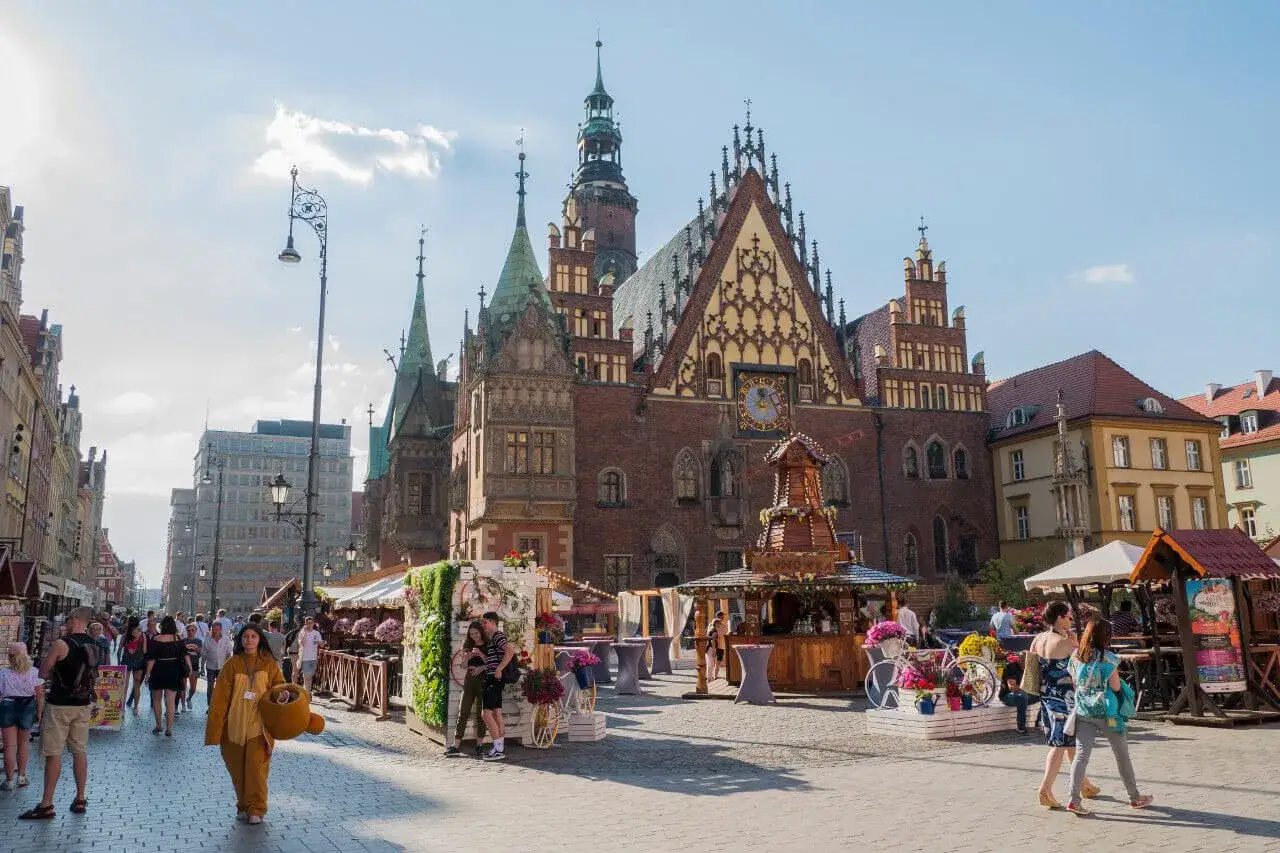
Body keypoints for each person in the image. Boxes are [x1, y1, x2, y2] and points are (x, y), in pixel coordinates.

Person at [1066, 617, 1153, 815]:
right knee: (1122, 756)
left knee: (1081, 757)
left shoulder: (1076, 656)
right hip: (1108, 713)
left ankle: (1073, 800)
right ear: (1106, 636)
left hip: (1083, 711)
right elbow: (1114, 686)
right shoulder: (1108, 658)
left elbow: (1075, 684)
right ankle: (1134, 797)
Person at [19, 606, 97, 821]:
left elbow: (43, 671)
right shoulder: (94, 644)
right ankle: (80, 798)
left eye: (68, 619)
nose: (66, 622)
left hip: (60, 704)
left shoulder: (62, 644)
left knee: (53, 753)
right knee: (79, 751)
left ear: (75, 620)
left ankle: (47, 804)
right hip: (83, 704)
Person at [205, 623, 285, 825]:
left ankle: (256, 808)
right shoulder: (232, 664)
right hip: (234, 726)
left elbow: (279, 686)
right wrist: (216, 728)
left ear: (259, 639)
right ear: (240, 640)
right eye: (245, 636)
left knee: (256, 769)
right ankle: (243, 805)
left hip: (260, 726)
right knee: (238, 770)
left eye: (253, 636)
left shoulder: (269, 663)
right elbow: (220, 698)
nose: (249, 640)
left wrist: (282, 694)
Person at [1031, 601, 1096, 809]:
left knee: (1068, 742)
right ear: (1060, 618)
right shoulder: (1065, 643)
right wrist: (1075, 641)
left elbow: (1032, 668)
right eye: (1068, 617)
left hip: (1047, 697)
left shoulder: (1038, 639)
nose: (1071, 620)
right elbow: (1085, 663)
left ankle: (1085, 784)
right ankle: (1045, 789)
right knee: (1059, 745)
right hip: (1065, 700)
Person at [0, 642, 44, 791]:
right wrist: (39, 712)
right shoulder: (34, 672)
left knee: (9, 746)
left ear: (10, 657)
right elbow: (40, 694)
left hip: (7, 707)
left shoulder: (3, 673)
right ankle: (22, 776)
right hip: (27, 707)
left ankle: (9, 780)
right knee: (23, 744)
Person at [444, 621, 490, 758]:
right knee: (463, 711)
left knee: (481, 714)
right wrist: (467, 658)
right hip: (469, 681)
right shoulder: (468, 645)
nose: (474, 636)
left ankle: (480, 745)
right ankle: (456, 746)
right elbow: (463, 666)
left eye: (476, 633)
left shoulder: (488, 645)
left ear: (481, 632)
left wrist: (481, 658)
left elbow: (492, 664)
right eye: (471, 634)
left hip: (484, 681)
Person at [143, 616, 190, 736]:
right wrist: (189, 669)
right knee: (170, 701)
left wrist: (147, 675)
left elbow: (152, 659)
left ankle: (159, 725)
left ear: (162, 626)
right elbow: (186, 655)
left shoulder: (156, 639)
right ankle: (169, 728)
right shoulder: (178, 638)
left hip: (158, 670)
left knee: (156, 700)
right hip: (173, 670)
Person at [480, 611, 515, 762]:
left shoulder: (498, 636)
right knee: (496, 713)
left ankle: (497, 749)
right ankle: (499, 748)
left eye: (485, 622)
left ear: (493, 622)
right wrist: (481, 656)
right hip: (494, 678)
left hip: (494, 679)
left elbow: (510, 651)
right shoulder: (494, 638)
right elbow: (492, 661)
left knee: (486, 714)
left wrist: (499, 669)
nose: (483, 625)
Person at [999, 652, 1036, 734]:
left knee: (1043, 694)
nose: (1026, 662)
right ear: (1019, 659)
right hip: (1007, 696)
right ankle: (1021, 727)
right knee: (1022, 696)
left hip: (1024, 694)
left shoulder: (1029, 668)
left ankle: (1039, 722)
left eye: (1028, 660)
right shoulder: (1011, 667)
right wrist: (1028, 688)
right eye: (1023, 660)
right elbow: (1012, 688)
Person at [118, 617, 148, 716]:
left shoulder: (126, 635)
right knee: (137, 685)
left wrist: (118, 663)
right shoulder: (142, 635)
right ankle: (135, 708)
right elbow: (144, 651)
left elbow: (119, 650)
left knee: (124, 685)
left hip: (126, 661)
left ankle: (122, 709)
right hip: (139, 661)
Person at [202, 621, 234, 709]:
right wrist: (201, 667)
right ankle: (210, 706)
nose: (215, 631)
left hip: (222, 667)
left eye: (217, 629)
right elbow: (204, 655)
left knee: (222, 687)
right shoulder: (207, 640)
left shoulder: (226, 639)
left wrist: (229, 667)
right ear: (211, 629)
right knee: (210, 686)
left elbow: (229, 654)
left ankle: (221, 705)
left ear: (221, 630)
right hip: (210, 667)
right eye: (214, 629)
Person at [295, 617, 324, 693]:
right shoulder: (302, 633)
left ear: (313, 623)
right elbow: (302, 643)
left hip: (313, 658)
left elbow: (322, 645)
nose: (309, 624)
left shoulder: (316, 633)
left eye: (311, 623)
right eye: (308, 623)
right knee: (306, 676)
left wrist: (319, 642)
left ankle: (307, 692)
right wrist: (305, 633)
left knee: (310, 676)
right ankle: (307, 692)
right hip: (305, 658)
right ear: (305, 623)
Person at [183, 623, 203, 711]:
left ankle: (189, 698)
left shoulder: (199, 641)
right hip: (184, 665)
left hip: (194, 665)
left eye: (192, 630)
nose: (190, 632)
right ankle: (183, 704)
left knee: (193, 688)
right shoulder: (183, 641)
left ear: (195, 631)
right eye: (188, 630)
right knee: (183, 687)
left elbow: (200, 655)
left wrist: (198, 650)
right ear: (186, 631)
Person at [708, 611, 727, 681]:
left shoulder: (712, 625)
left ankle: (714, 676)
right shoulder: (713, 625)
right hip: (715, 646)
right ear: (719, 616)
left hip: (718, 646)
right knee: (713, 662)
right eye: (722, 616)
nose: (723, 617)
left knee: (716, 661)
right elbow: (711, 636)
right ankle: (712, 676)